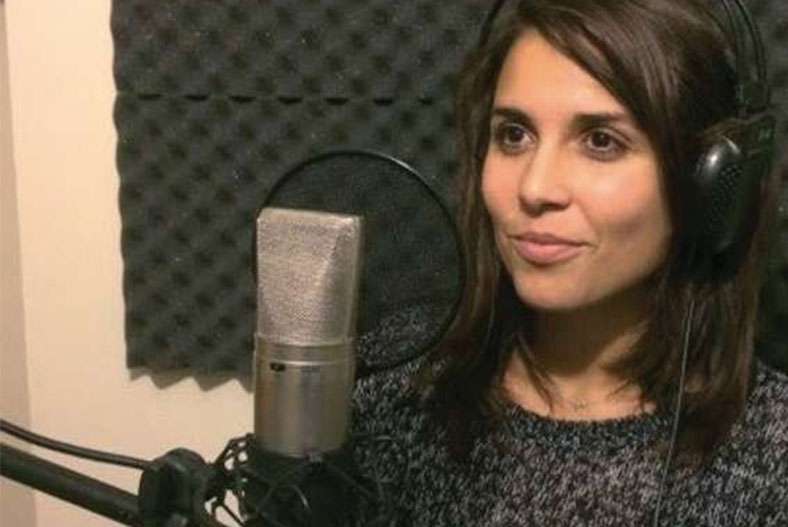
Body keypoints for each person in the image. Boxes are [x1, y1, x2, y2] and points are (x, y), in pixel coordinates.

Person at [351, 0, 788, 525]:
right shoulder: (391, 382)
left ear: (712, 185)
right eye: (514, 134)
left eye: (601, 142)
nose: (535, 188)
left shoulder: (772, 461)